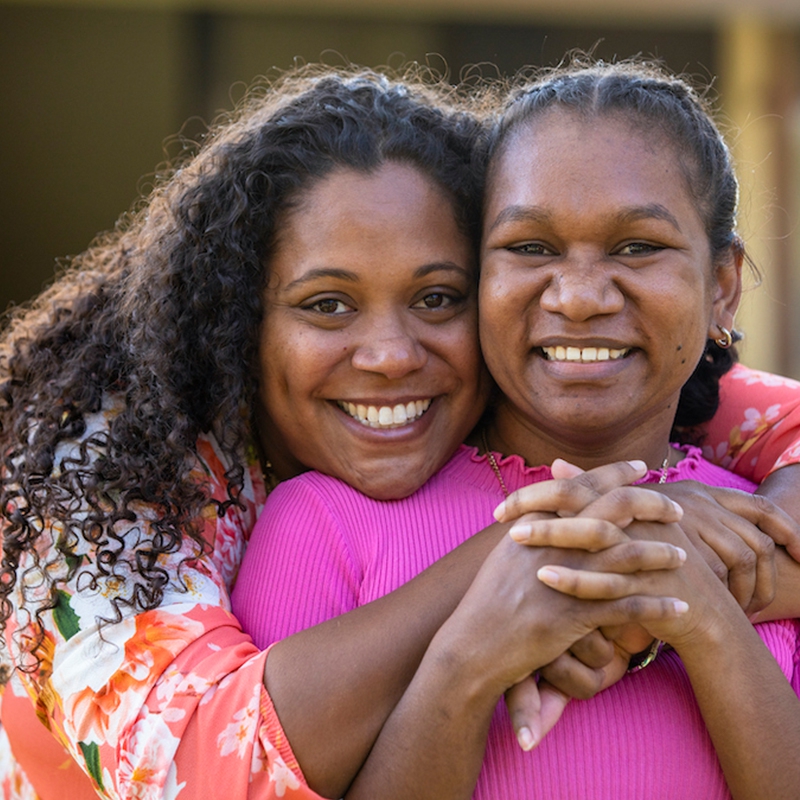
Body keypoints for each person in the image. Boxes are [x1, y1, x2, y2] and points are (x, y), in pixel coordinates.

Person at [1, 63, 799, 800]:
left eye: (438, 297)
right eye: (327, 305)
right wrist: (563, 544)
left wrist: (711, 553)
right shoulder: (112, 488)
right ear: (234, 324)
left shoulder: (688, 449)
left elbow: (725, 404)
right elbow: (216, 762)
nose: (389, 357)